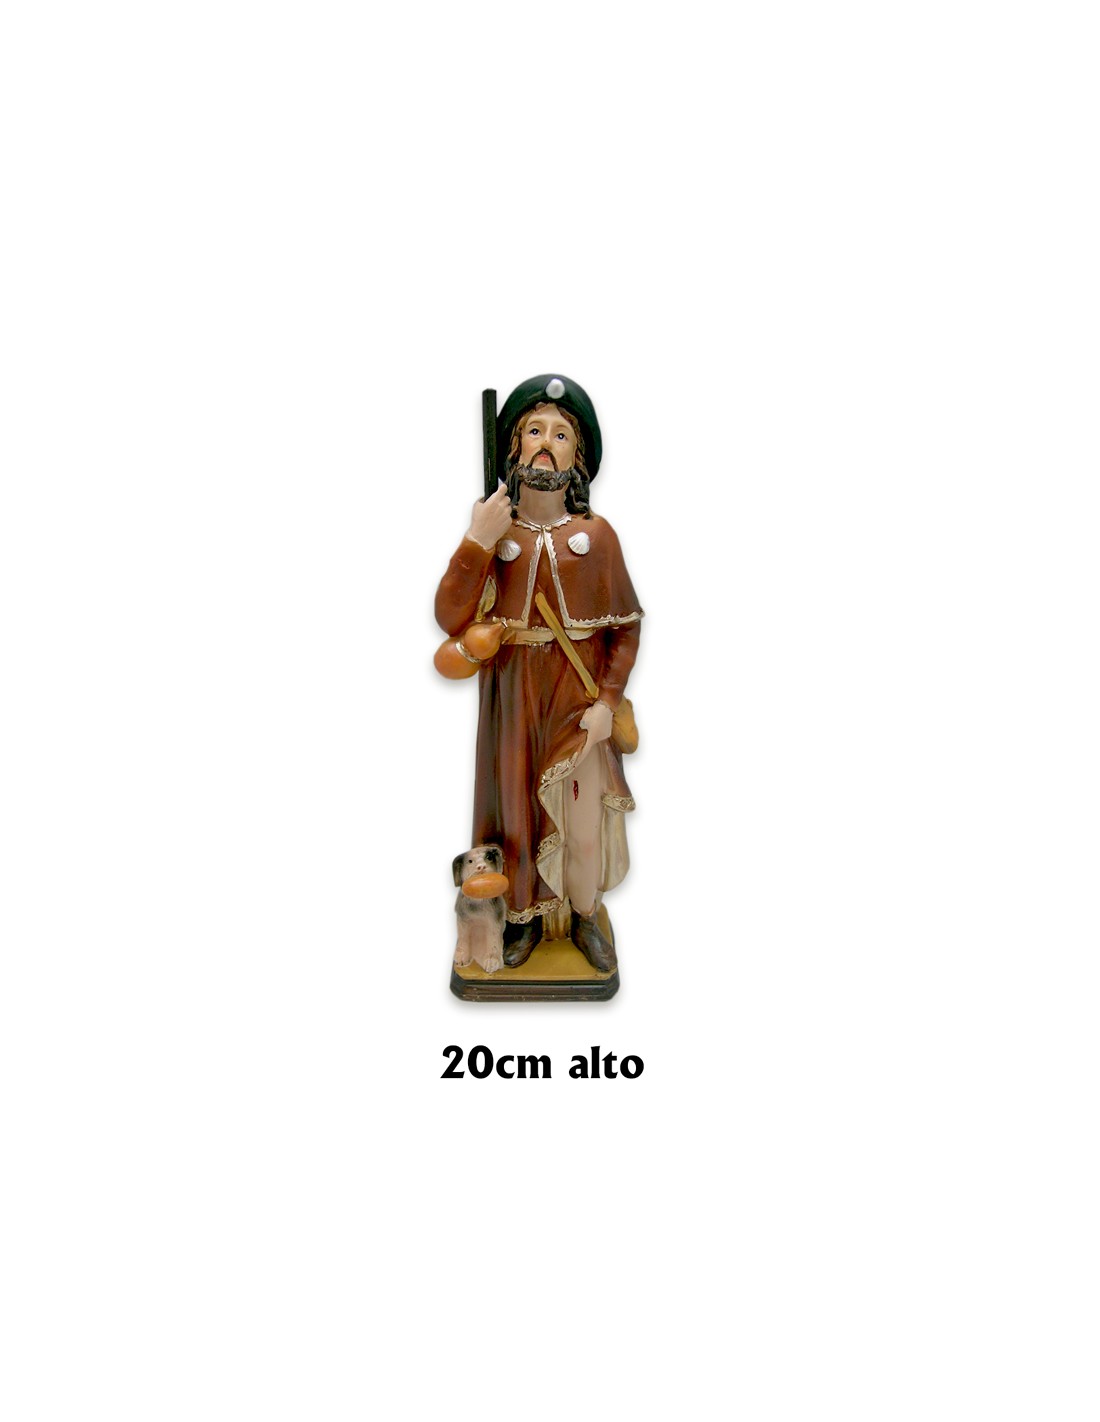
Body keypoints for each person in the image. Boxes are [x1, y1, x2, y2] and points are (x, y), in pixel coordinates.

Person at [435, 375, 642, 972]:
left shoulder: (596, 537)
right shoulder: (495, 532)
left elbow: (624, 629)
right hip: (512, 693)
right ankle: (522, 916)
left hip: (575, 699)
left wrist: (606, 701)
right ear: (515, 448)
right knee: (515, 811)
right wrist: (478, 540)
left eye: (561, 434)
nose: (546, 443)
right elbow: (450, 616)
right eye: (533, 430)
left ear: (578, 457)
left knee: (581, 821)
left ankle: (584, 912)